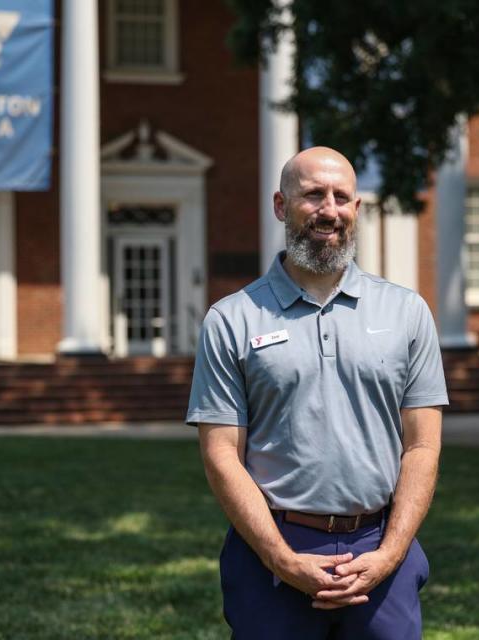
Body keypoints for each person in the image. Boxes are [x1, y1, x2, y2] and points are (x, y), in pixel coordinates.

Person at [187, 146, 448, 639]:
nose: (328, 209)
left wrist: (390, 553)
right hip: (272, 546)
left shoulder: (407, 313)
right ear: (282, 206)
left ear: (356, 209)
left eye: (341, 197)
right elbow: (221, 454)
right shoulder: (232, 319)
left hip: (379, 544)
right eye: (312, 195)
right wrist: (281, 559)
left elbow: (422, 445)